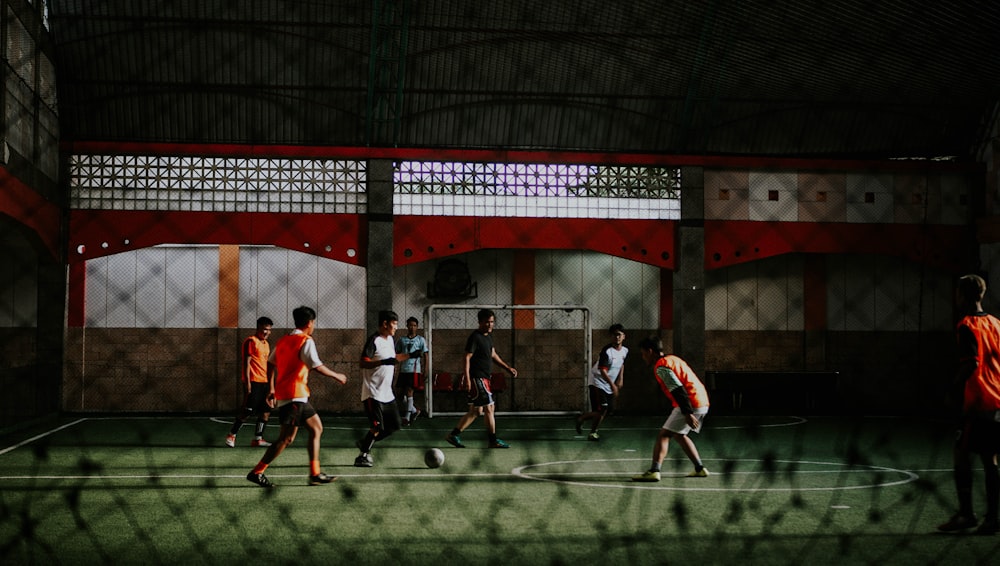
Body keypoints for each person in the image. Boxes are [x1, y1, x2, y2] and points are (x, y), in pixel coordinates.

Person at [246, 306, 348, 488]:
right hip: (294, 396)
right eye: (314, 323)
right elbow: (316, 366)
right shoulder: (305, 341)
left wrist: (271, 388)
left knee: (316, 428)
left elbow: (270, 363)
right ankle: (257, 472)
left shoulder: (284, 340)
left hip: (296, 396)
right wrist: (337, 375)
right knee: (286, 439)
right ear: (310, 323)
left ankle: (315, 473)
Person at [937, 273, 1000, 535]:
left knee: (961, 455)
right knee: (991, 460)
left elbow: (971, 362)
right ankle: (992, 518)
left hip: (977, 402)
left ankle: (967, 514)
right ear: (982, 295)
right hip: (997, 399)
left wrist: (952, 390)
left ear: (961, 295)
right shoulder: (997, 324)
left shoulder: (965, 325)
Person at [632, 336, 710, 482]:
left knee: (664, 435)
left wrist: (687, 412)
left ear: (650, 351)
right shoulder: (674, 359)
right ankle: (700, 468)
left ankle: (654, 470)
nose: (643, 357)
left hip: (690, 402)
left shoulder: (662, 366)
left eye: (643, 353)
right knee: (679, 435)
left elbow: (678, 389)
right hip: (702, 400)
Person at [445, 308, 518, 449]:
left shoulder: (488, 337)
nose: (490, 325)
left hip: (484, 379)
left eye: (492, 322)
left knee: (476, 411)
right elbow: (466, 357)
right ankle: (493, 440)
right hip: (477, 378)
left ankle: (454, 434)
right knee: (490, 408)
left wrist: (507, 368)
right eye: (487, 322)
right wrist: (467, 379)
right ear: (480, 322)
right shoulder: (475, 337)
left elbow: (493, 354)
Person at [354, 310, 413, 467]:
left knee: (394, 426)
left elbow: (393, 358)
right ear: (385, 324)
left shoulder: (390, 340)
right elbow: (363, 362)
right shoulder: (374, 340)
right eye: (394, 324)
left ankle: (365, 442)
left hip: (387, 394)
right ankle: (362, 456)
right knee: (377, 426)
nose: (396, 327)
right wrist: (381, 362)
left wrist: (410, 355)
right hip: (372, 392)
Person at [226, 316, 274, 448]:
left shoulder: (266, 344)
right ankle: (232, 435)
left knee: (266, 411)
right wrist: (247, 383)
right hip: (253, 381)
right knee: (247, 411)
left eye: (269, 330)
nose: (266, 332)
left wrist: (271, 386)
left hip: (264, 382)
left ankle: (258, 439)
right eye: (264, 329)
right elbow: (246, 364)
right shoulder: (251, 341)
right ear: (258, 328)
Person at [576, 323, 627, 441]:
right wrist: (613, 385)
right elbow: (602, 370)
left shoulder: (625, 351)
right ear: (611, 336)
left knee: (605, 410)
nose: (617, 337)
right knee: (602, 408)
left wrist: (620, 379)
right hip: (597, 381)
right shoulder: (607, 351)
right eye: (614, 335)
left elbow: (622, 363)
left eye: (619, 335)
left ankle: (588, 427)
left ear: (624, 336)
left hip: (608, 383)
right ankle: (585, 422)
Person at [396, 316, 428, 425]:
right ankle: (414, 410)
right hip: (403, 370)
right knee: (399, 394)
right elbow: (397, 354)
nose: (412, 327)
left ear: (417, 327)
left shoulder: (420, 340)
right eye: (410, 325)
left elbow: (426, 355)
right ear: (407, 326)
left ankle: (407, 417)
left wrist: (426, 369)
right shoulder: (401, 340)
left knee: (410, 391)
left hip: (414, 370)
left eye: (414, 325)